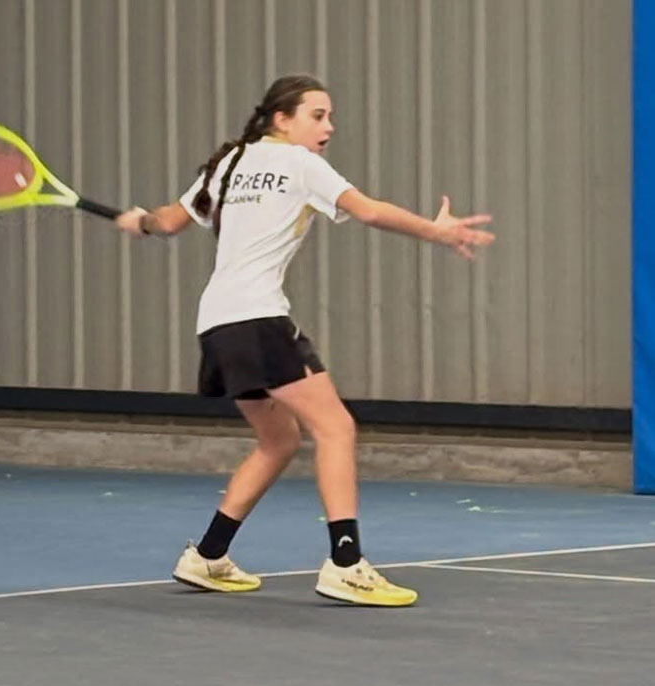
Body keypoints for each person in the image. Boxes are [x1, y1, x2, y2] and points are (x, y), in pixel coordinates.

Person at [115, 74, 494, 607]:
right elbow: (368, 211)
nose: (329, 127)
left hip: (217, 323)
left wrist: (142, 222)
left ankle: (207, 555)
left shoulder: (228, 164)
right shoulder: (299, 164)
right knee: (336, 428)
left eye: (330, 117)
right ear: (281, 119)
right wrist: (437, 231)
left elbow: (170, 221)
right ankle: (346, 564)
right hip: (260, 319)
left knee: (280, 441)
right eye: (318, 115)